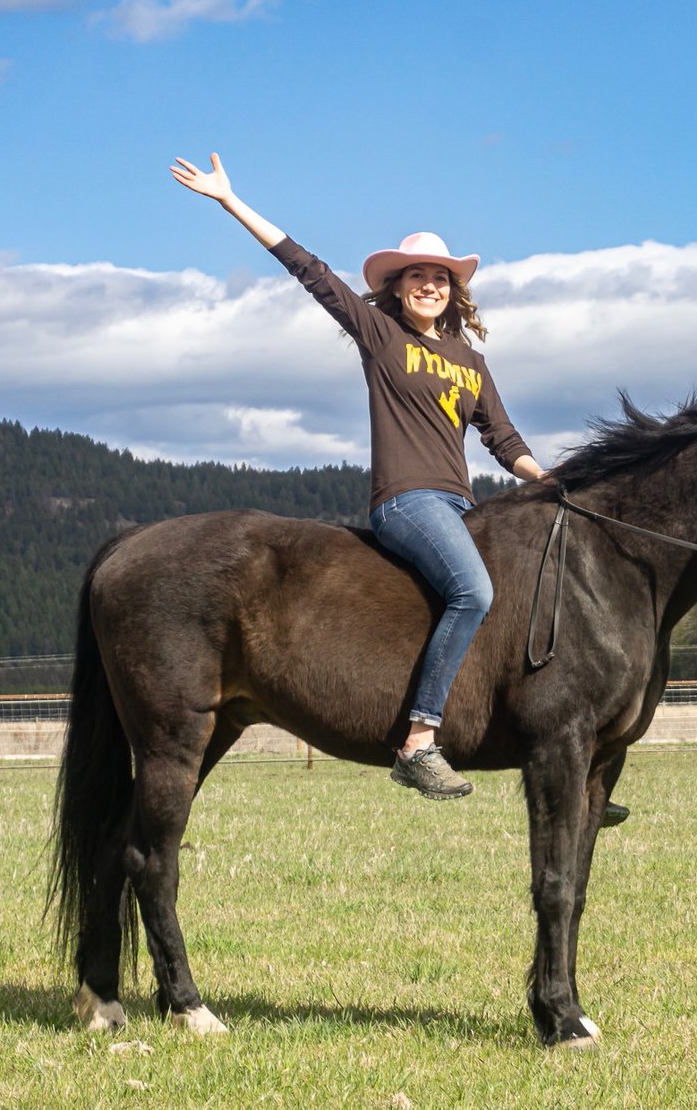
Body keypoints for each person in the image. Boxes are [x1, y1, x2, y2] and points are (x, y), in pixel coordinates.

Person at [171, 152, 550, 800]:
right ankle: (419, 741)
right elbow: (309, 270)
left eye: (440, 276)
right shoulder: (381, 334)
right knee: (476, 594)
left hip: (463, 505)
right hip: (407, 503)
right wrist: (231, 201)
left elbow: (502, 438)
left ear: (453, 289)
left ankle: (560, 756)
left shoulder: (471, 362)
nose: (429, 285)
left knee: (518, 598)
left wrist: (544, 480)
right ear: (398, 287)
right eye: (417, 276)